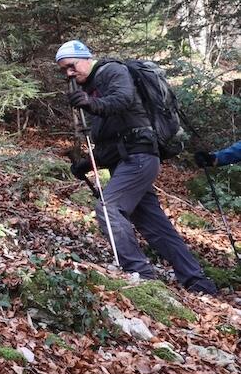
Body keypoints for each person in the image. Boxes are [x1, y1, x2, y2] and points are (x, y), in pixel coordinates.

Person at [57, 40, 216, 293]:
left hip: (139, 158)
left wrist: (91, 103)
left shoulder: (111, 71)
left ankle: (139, 274)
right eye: (64, 70)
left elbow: (123, 99)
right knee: (154, 225)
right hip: (128, 160)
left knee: (108, 208)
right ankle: (197, 281)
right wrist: (86, 165)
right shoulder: (93, 87)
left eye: (71, 66)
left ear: (86, 58)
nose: (69, 73)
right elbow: (113, 141)